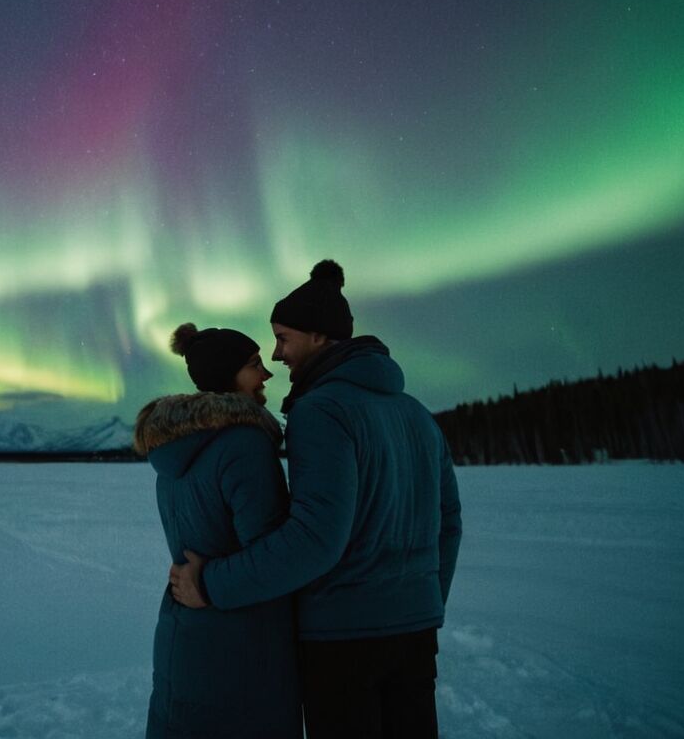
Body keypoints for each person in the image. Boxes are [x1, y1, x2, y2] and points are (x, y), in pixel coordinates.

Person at [169, 261, 463, 738]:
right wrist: (423, 601)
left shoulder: (320, 410)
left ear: (319, 337)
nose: (278, 355)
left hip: (343, 642)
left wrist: (212, 584)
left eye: (284, 338)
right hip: (416, 633)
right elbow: (447, 523)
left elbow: (315, 538)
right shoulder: (416, 414)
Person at [135, 323, 303, 739]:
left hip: (183, 635)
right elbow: (269, 559)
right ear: (225, 375)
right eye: (253, 365)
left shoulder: (175, 451)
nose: (266, 374)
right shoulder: (243, 444)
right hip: (241, 651)